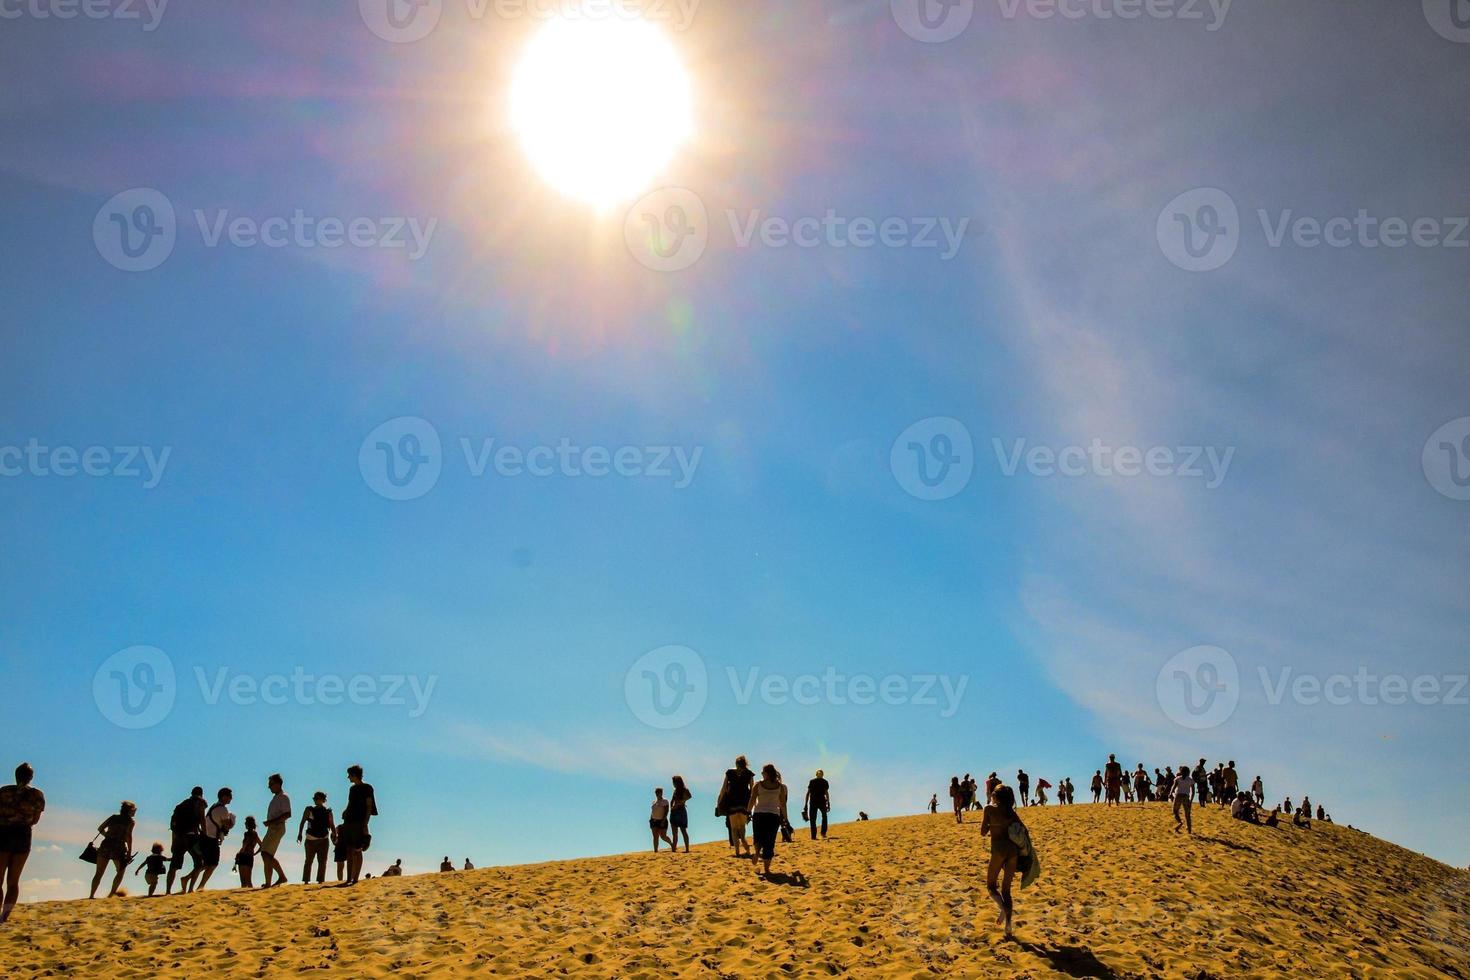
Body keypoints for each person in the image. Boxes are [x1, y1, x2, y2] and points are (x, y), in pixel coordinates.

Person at [0, 762, 45, 923]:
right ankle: (4, 916)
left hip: (3, 834)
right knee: (13, 881)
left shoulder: (4, 792)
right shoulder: (37, 795)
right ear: (31, 777)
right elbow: (35, 819)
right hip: (22, 835)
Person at [980, 784, 1020, 939]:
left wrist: (992, 824)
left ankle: (1003, 908)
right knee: (1006, 891)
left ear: (995, 796)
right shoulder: (1011, 811)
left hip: (999, 849)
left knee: (990, 886)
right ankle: (1008, 926)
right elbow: (1022, 829)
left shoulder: (989, 809)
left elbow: (983, 832)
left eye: (993, 792)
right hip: (1013, 850)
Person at [185, 787, 235, 892]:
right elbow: (228, 826)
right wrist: (233, 819)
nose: (231, 798)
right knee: (212, 864)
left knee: (206, 864)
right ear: (224, 796)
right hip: (210, 839)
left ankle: (188, 880)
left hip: (205, 837)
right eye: (230, 796)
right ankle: (199, 886)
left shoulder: (214, 806)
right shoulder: (222, 809)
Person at [89, 801, 137, 899]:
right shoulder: (130, 822)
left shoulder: (113, 817)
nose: (135, 812)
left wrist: (107, 835)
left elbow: (100, 828)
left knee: (98, 873)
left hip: (106, 845)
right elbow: (128, 836)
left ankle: (91, 895)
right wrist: (129, 851)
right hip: (119, 847)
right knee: (120, 871)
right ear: (130, 810)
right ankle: (111, 895)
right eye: (134, 810)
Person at [748, 764, 788, 878]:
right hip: (773, 816)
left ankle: (756, 853)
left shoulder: (758, 785)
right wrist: (785, 818)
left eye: (762, 772)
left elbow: (752, 800)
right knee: (769, 841)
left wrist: (747, 812)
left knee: (758, 836)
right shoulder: (780, 787)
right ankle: (766, 869)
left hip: (759, 814)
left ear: (767, 773)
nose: (761, 774)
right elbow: (783, 804)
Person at [341, 765, 377, 885]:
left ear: (354, 775)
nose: (348, 777)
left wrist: (365, 823)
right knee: (349, 850)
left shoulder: (367, 788)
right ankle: (348, 878)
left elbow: (369, 806)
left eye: (349, 775)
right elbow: (350, 803)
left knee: (358, 849)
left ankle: (355, 878)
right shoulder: (352, 789)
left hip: (359, 821)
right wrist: (345, 812)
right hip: (349, 821)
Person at [166, 786, 206, 895]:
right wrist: (205, 834)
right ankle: (190, 888)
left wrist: (173, 841)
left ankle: (168, 891)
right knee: (199, 862)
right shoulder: (200, 802)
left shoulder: (180, 805)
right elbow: (202, 819)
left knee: (173, 866)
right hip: (192, 837)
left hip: (179, 837)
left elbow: (174, 826)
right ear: (201, 794)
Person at [716, 756, 754, 858]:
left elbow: (723, 788)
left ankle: (737, 851)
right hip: (744, 803)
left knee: (733, 828)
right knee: (742, 827)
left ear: (736, 763)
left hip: (732, 802)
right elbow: (752, 791)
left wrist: (719, 801)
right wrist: (752, 805)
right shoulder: (749, 774)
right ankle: (746, 846)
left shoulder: (730, 773)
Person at [259, 773, 291, 888]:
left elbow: (288, 814)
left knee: (266, 853)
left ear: (278, 784)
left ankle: (281, 876)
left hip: (277, 827)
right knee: (266, 854)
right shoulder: (277, 797)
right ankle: (268, 882)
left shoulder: (283, 797)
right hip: (273, 827)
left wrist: (271, 822)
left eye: (271, 784)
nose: (269, 787)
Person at [297, 791, 335, 884]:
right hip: (310, 839)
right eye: (314, 798)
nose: (315, 800)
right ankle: (306, 880)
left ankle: (320, 880)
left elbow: (332, 824)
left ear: (323, 800)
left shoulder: (327, 812)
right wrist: (300, 834)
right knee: (309, 860)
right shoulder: (309, 810)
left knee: (322, 861)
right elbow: (302, 822)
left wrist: (335, 835)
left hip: (324, 839)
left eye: (317, 798)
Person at [235, 816, 261, 888]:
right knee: (248, 881)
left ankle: (247, 897)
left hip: (244, 856)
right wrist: (254, 853)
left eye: (246, 823)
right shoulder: (255, 834)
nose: (245, 824)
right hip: (250, 856)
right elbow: (261, 846)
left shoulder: (247, 834)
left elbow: (245, 845)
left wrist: (239, 854)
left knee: (244, 882)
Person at [669, 775, 692, 853]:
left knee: (683, 831)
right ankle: (674, 849)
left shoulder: (684, 789)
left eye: (674, 782)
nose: (673, 784)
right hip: (674, 811)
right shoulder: (675, 790)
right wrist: (671, 807)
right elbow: (672, 800)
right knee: (674, 833)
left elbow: (689, 796)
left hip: (681, 810)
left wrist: (680, 802)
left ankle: (687, 849)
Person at [804, 769, 830, 840]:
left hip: (819, 801)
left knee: (821, 817)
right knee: (815, 818)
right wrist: (805, 804)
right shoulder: (814, 781)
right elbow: (808, 793)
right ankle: (816, 835)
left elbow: (826, 792)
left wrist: (828, 802)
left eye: (821, 773)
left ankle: (820, 834)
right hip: (815, 802)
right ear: (817, 774)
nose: (820, 774)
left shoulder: (823, 782)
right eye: (819, 773)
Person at [649, 788, 674, 852]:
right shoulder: (654, 802)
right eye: (656, 792)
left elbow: (666, 811)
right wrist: (651, 819)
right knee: (655, 836)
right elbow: (652, 811)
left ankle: (672, 844)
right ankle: (655, 851)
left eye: (659, 792)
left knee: (663, 836)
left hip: (662, 820)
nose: (657, 793)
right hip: (654, 820)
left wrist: (663, 820)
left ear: (661, 793)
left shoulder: (665, 801)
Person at [1171, 762, 1194, 834]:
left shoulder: (1178, 779)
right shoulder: (1190, 780)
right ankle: (1189, 830)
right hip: (1186, 796)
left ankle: (1180, 822)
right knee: (1187, 814)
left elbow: (1173, 787)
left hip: (1178, 795)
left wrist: (1170, 793)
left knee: (1175, 811)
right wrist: (1191, 800)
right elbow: (1193, 791)